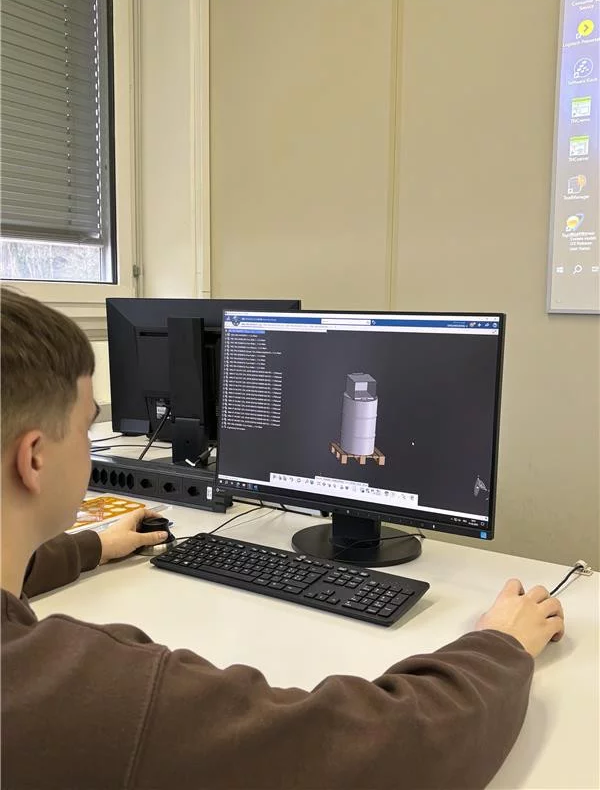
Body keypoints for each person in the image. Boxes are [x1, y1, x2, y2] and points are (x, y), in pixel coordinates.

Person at [1, 286, 565, 790]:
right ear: (35, 459)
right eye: (87, 426)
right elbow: (387, 752)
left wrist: (91, 546)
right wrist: (502, 644)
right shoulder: (98, 693)